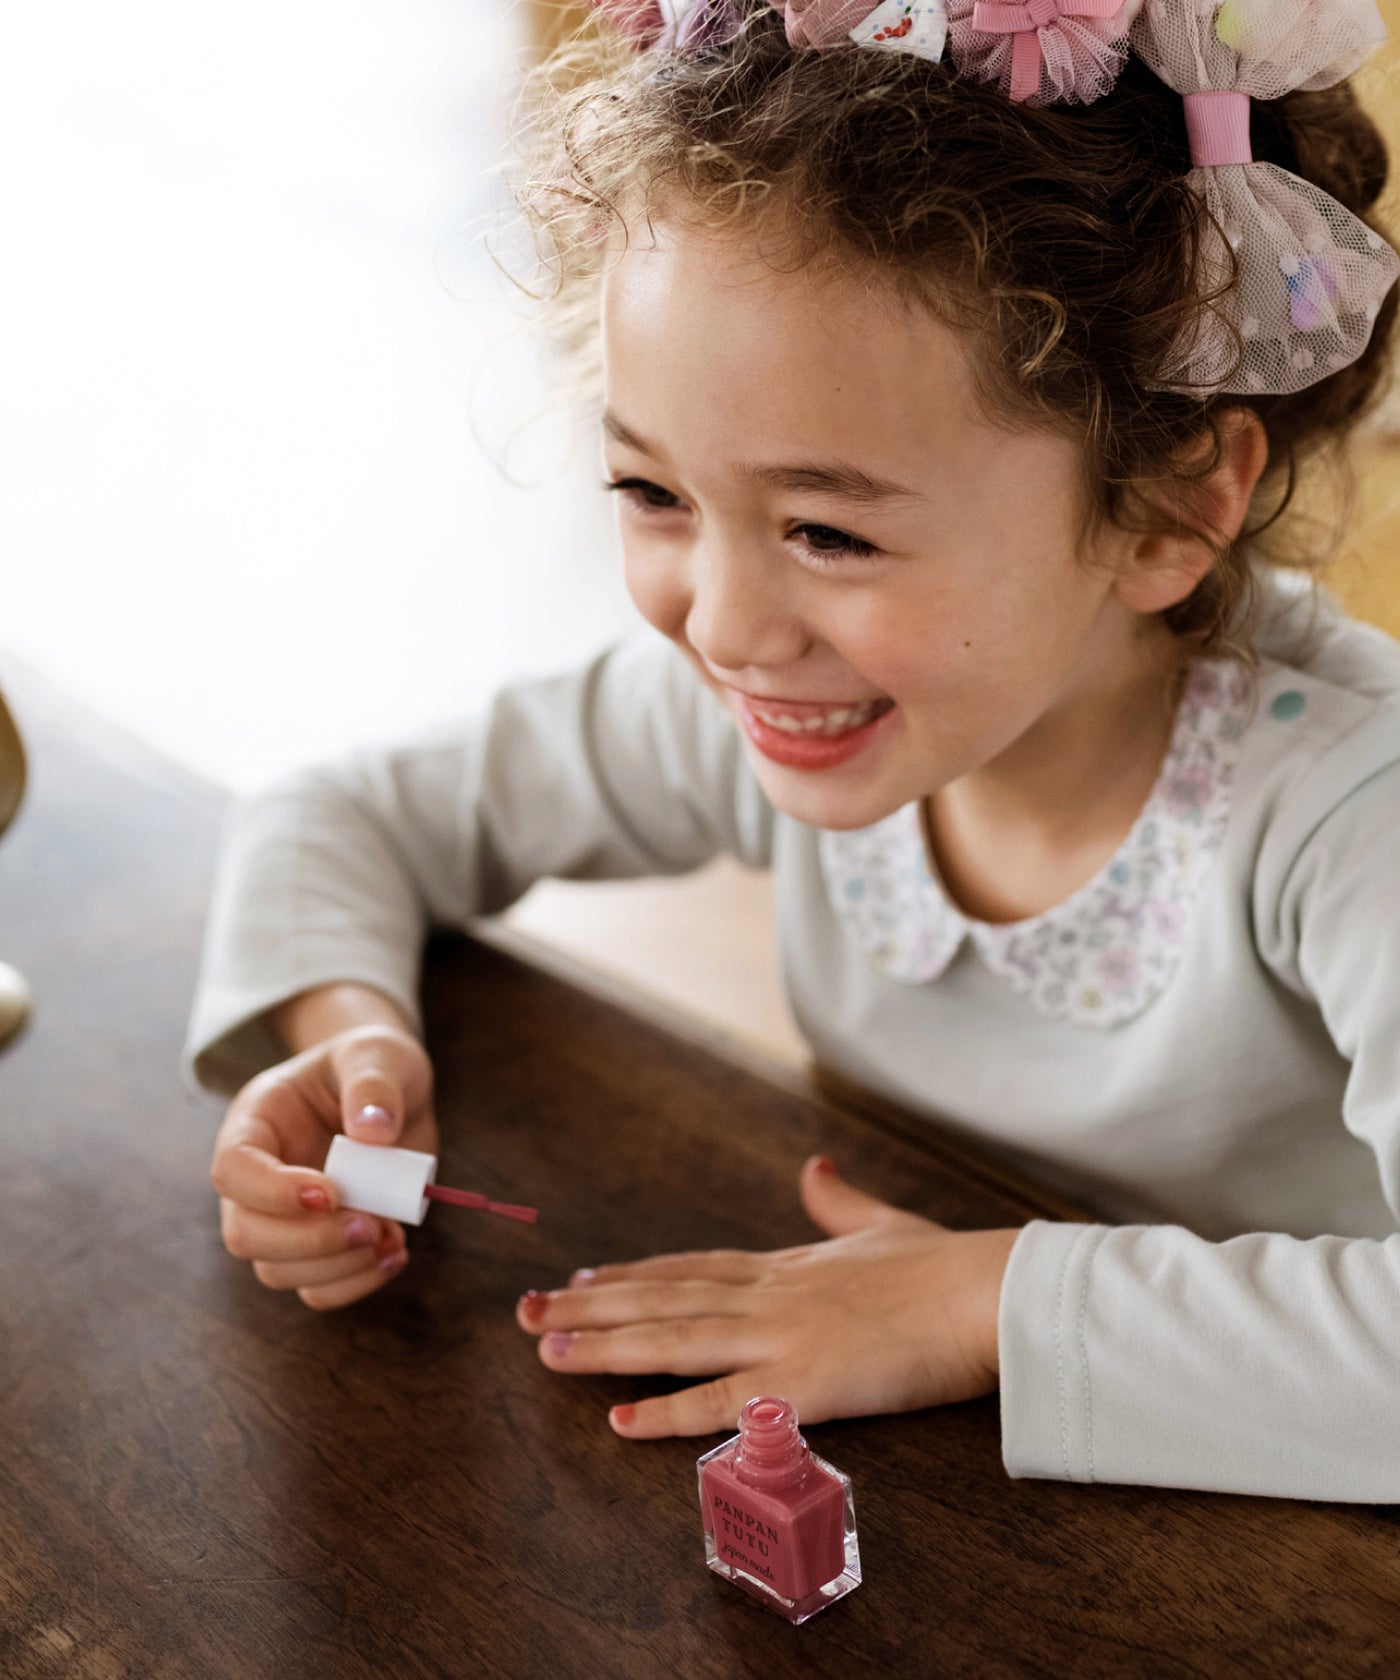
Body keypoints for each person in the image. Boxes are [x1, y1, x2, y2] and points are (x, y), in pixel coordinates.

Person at [187, 0, 1400, 1500]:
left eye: (829, 530)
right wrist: (346, 1031)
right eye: (652, 492)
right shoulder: (797, 695)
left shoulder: (1356, 817)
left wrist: (977, 1305)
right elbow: (346, 813)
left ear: (1166, 508)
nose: (727, 623)